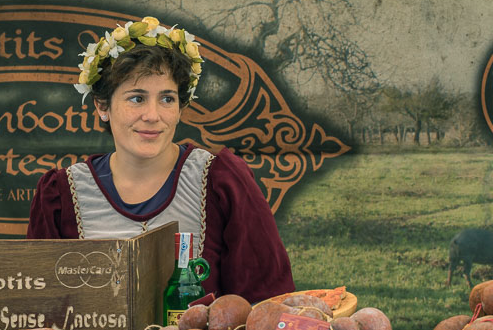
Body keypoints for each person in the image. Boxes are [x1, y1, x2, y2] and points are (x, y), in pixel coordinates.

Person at [26, 16, 295, 304]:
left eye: (167, 99)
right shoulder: (62, 194)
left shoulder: (220, 180)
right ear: (102, 106)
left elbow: (267, 300)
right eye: (136, 98)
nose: (153, 115)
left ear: (181, 107)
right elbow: (38, 308)